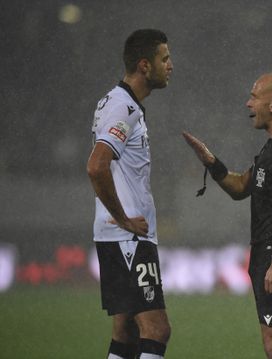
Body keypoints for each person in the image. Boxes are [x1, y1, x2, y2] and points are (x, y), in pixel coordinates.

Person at [183, 73, 272, 359]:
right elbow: (241, 187)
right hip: (266, 254)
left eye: (254, 97)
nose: (248, 103)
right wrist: (212, 162)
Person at [87, 29, 173, 359]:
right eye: (164, 58)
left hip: (124, 235)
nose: (170, 65)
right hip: (128, 238)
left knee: (126, 332)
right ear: (144, 65)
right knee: (157, 328)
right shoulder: (123, 108)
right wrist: (122, 219)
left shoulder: (119, 102)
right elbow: (96, 166)